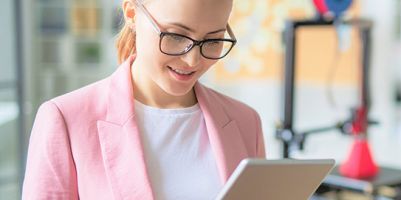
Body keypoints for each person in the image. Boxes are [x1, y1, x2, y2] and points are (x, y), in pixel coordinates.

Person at [22, 0, 265, 199]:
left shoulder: (245, 122)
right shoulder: (65, 119)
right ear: (131, 13)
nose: (192, 60)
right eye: (176, 36)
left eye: (212, 41)